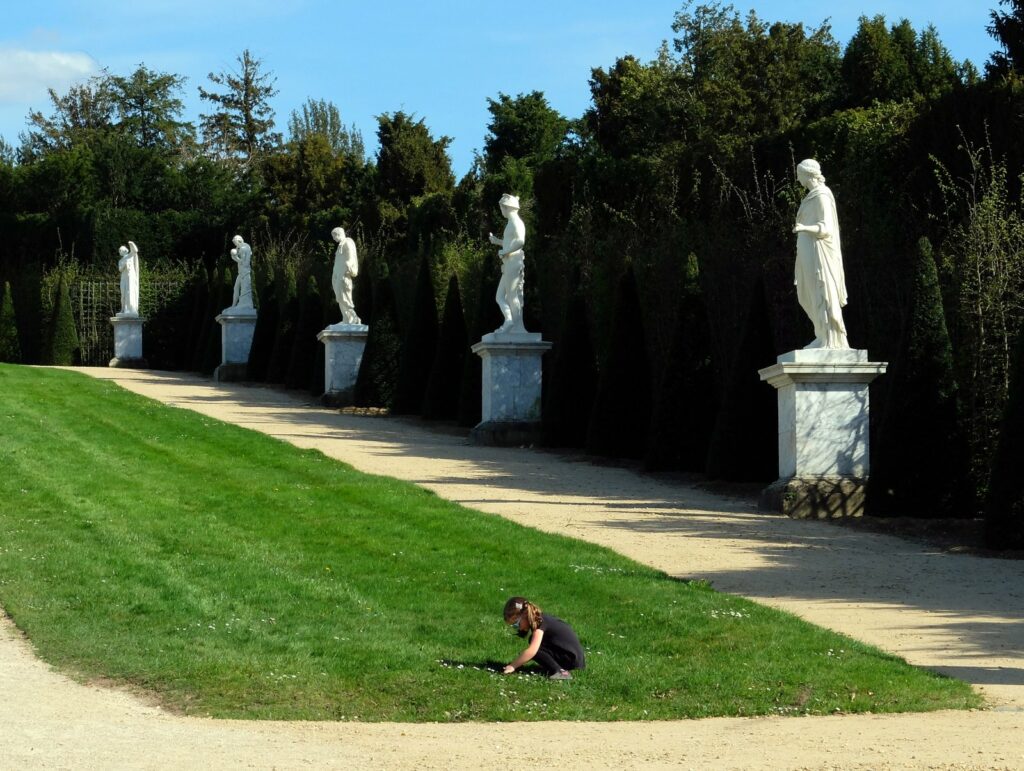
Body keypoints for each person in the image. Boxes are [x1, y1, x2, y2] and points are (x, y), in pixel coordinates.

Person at [792, 158, 849, 349]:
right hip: (809, 252)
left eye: (799, 174)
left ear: (807, 174)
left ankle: (830, 338)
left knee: (821, 291)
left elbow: (826, 228)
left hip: (820, 253)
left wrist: (803, 227)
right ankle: (821, 334)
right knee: (808, 293)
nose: (798, 178)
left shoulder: (822, 196)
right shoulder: (812, 196)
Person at [501, 596, 585, 680]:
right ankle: (558, 668)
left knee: (535, 649)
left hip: (571, 659)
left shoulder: (540, 623)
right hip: (574, 658)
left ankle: (560, 672)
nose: (518, 628)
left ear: (525, 614)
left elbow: (532, 651)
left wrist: (513, 666)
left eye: (516, 624)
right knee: (534, 642)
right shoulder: (541, 619)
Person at [487, 193, 527, 334]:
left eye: (502, 208)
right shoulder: (511, 222)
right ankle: (510, 321)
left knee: (511, 296)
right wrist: (498, 241)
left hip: (513, 262)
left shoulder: (516, 222)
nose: (501, 211)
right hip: (509, 264)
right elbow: (510, 241)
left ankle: (517, 328)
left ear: (507, 207)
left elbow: (520, 241)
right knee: (500, 297)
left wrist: (506, 252)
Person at [331, 226, 361, 324]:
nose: (333, 238)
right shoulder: (340, 245)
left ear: (338, 234)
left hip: (344, 274)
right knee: (339, 297)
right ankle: (346, 319)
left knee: (344, 297)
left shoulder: (347, 242)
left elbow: (351, 257)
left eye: (334, 236)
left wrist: (346, 269)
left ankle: (354, 318)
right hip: (338, 274)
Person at [229, 235, 254, 310]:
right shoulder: (239, 248)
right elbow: (240, 261)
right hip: (241, 272)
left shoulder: (245, 248)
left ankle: (244, 304)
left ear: (239, 240)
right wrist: (234, 257)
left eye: (236, 243)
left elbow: (245, 263)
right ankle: (233, 305)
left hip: (245, 272)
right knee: (236, 288)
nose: (235, 245)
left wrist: (236, 257)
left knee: (244, 289)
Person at [117, 240, 140, 317]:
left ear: (125, 250)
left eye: (121, 250)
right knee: (123, 293)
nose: (120, 251)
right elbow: (120, 269)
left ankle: (130, 309)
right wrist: (125, 265)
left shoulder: (130, 256)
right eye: (119, 250)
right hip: (124, 278)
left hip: (130, 277)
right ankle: (123, 309)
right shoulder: (120, 260)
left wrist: (131, 244)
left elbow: (135, 251)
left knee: (129, 292)